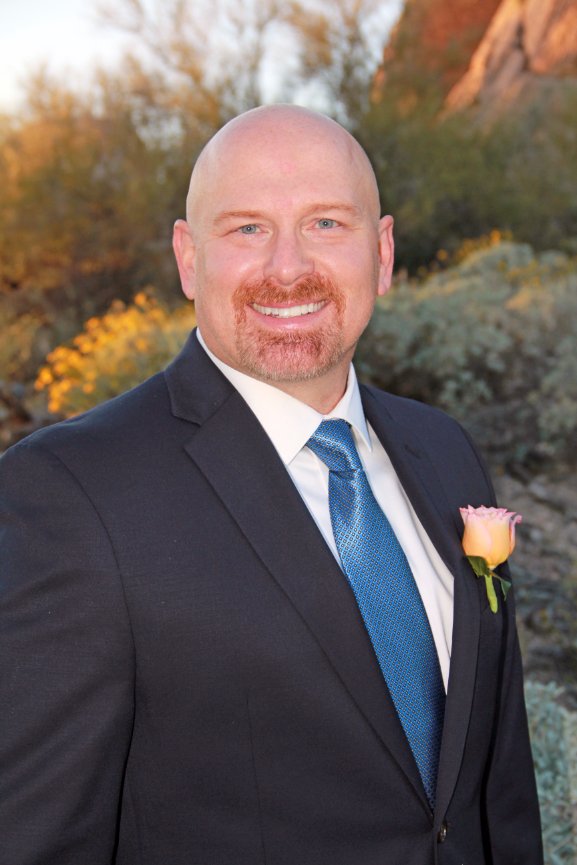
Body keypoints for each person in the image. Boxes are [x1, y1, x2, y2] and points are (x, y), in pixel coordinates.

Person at [0, 104, 542, 865]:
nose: (287, 268)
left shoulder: (443, 452)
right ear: (189, 259)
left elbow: (497, 787)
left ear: (381, 253)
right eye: (247, 227)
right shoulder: (70, 494)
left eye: (325, 223)